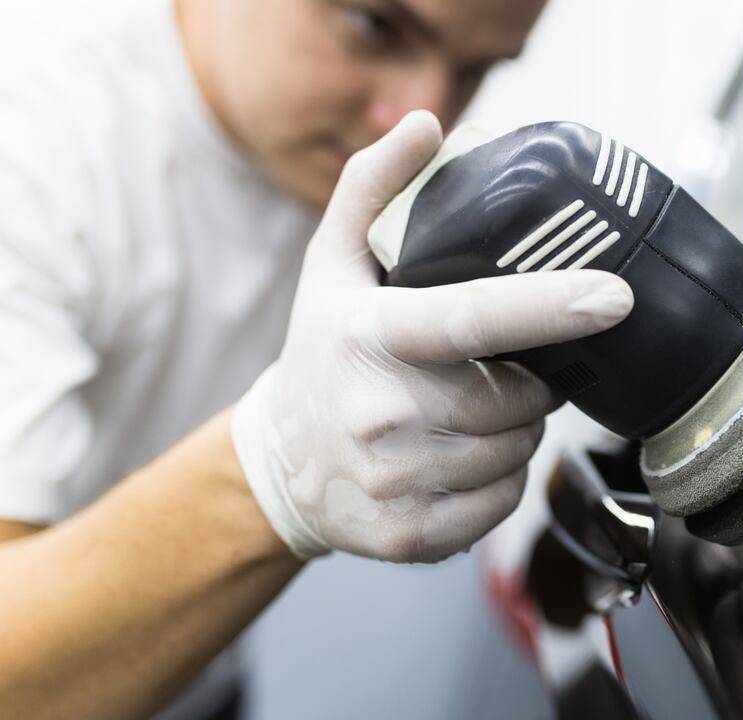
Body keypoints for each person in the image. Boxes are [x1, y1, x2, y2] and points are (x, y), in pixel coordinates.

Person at [0, 0, 635, 718]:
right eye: (375, 26)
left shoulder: (334, 150)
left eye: (475, 69)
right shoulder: (29, 138)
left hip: (188, 679)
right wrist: (274, 470)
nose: (414, 115)